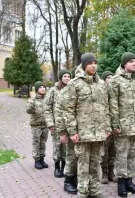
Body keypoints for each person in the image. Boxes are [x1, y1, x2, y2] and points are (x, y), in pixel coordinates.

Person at [64, 53, 110, 198]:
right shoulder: (74, 84)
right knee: (83, 165)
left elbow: (105, 107)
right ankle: (83, 192)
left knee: (96, 163)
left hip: (98, 134)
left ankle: (95, 191)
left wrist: (107, 127)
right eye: (90, 63)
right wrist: (72, 131)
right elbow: (69, 109)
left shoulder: (101, 84)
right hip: (82, 133)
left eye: (95, 62)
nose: (94, 65)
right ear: (84, 65)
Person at [109, 52, 135, 197]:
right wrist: (115, 124)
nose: (134, 64)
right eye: (131, 61)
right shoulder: (116, 81)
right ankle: (121, 183)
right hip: (123, 126)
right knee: (122, 156)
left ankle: (130, 181)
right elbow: (112, 105)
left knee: (134, 155)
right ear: (124, 64)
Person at [44, 69, 71, 178]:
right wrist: (50, 123)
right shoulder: (53, 91)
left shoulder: (71, 89)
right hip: (56, 124)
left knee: (66, 147)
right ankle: (57, 167)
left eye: (68, 76)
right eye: (64, 76)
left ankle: (64, 167)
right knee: (57, 146)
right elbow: (47, 108)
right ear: (60, 78)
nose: (67, 78)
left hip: (68, 124)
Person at [55, 66, 78, 194]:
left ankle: (76, 179)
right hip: (69, 130)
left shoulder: (76, 89)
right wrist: (62, 132)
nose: (68, 79)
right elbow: (58, 114)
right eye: (65, 76)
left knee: (79, 157)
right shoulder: (62, 92)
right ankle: (68, 181)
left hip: (79, 130)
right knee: (70, 156)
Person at [26, 81, 48, 170]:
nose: (42, 89)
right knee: (36, 143)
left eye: (44, 87)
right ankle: (37, 160)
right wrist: (31, 100)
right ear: (37, 90)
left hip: (45, 125)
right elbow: (28, 110)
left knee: (43, 143)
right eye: (40, 87)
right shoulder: (32, 99)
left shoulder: (47, 99)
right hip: (36, 125)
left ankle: (42, 158)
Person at [100, 71, 117, 184]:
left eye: (112, 77)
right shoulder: (101, 91)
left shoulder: (115, 91)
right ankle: (104, 173)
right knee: (104, 151)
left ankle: (111, 172)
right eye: (108, 78)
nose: (110, 79)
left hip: (115, 126)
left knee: (113, 150)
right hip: (104, 126)